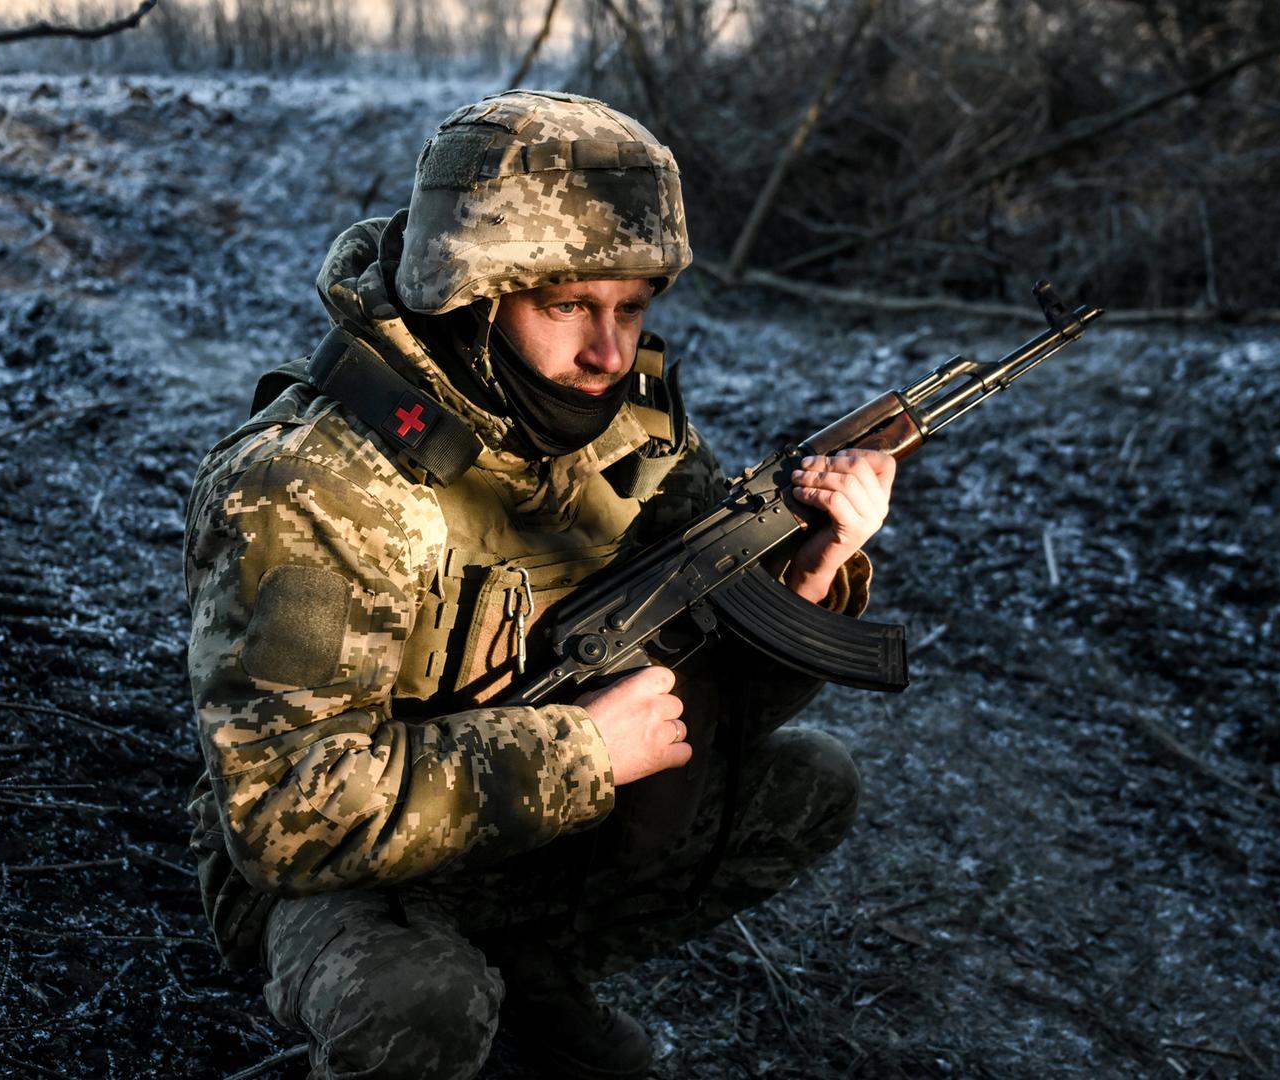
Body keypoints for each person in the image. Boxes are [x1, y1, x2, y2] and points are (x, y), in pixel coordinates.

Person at [182, 89, 897, 1080]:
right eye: (568, 305)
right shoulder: (315, 487)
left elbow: (719, 694)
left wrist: (816, 562)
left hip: (523, 827)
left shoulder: (623, 419)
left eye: (631, 308)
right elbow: (286, 818)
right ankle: (450, 995)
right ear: (470, 294)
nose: (609, 352)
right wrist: (584, 750)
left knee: (808, 783)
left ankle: (531, 972)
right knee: (420, 1014)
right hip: (337, 877)